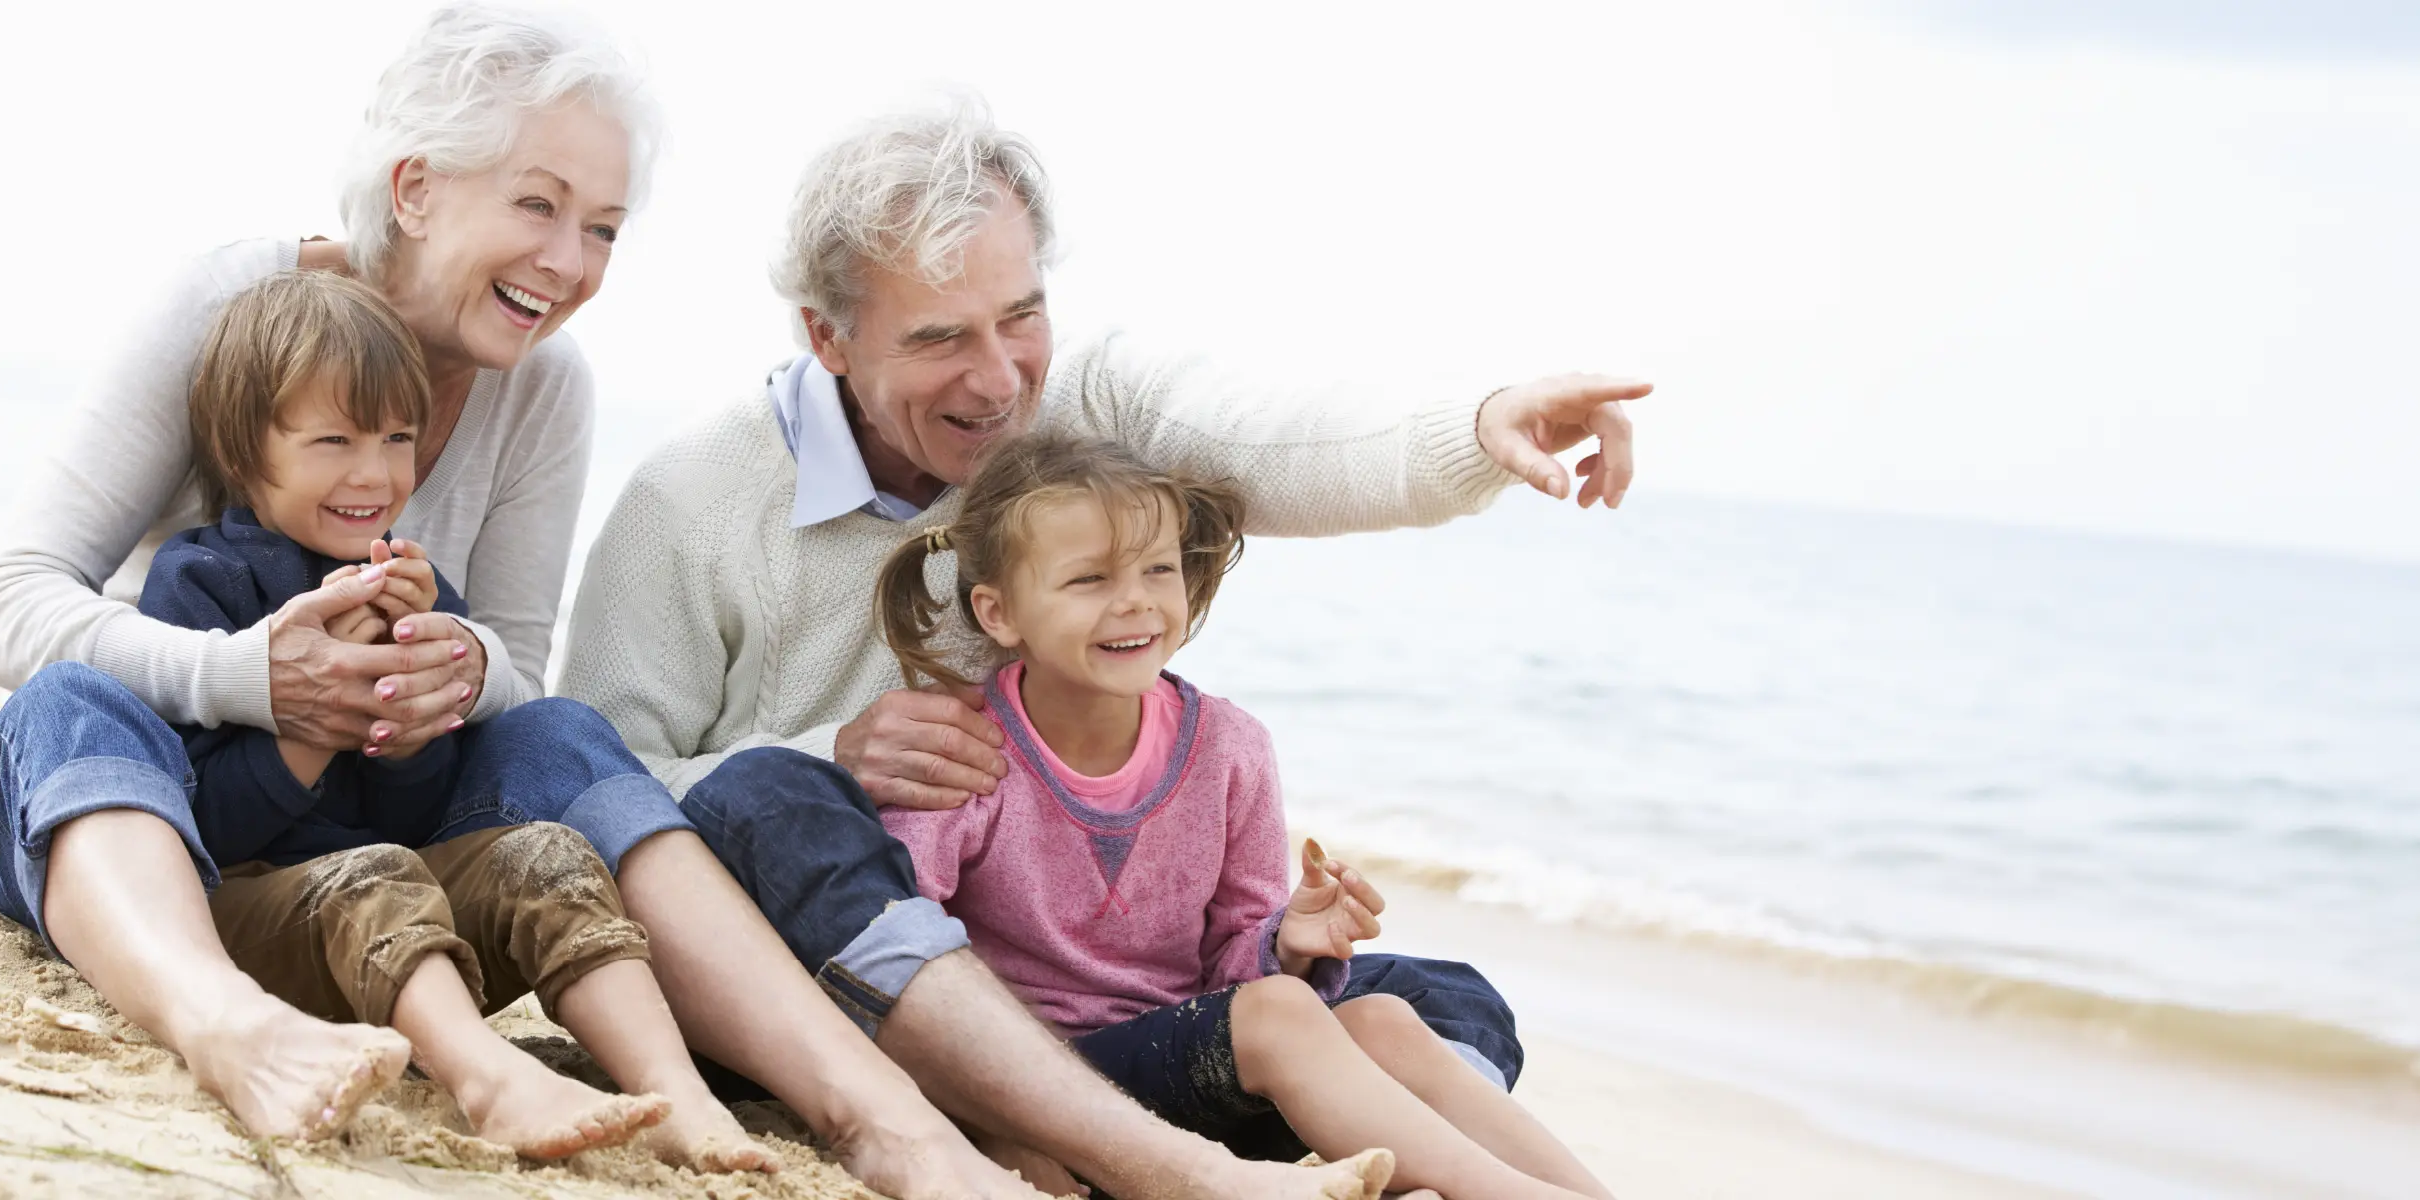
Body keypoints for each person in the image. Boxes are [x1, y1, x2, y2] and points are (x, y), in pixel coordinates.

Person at [0, 9, 1058, 1194]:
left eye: (602, 228)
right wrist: (246, 678)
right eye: (538, 205)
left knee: (560, 732)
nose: (571, 262)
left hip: (358, 865)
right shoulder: (237, 304)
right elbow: (3, 605)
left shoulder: (543, 388)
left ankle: (874, 1116)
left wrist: (465, 668)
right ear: (417, 187)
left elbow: (522, 668)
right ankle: (228, 1027)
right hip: (133, 852)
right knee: (71, 698)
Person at [559, 90, 1646, 1196]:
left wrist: (1478, 427)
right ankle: (1069, 1129)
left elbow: (1263, 433)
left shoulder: (1077, 405)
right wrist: (824, 754)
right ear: (828, 337)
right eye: (939, 338)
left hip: (1113, 1010)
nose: (998, 380)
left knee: (1433, 1001)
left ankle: (1383, 1164)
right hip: (838, 968)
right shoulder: (691, 500)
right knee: (774, 794)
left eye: (1019, 316)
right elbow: (591, 793)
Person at [0, 267, 784, 1167]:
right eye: (333, 440)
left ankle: (676, 1093)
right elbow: (204, 822)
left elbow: (416, 807)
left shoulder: (413, 586)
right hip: (253, 908)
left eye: (399, 437)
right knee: (372, 873)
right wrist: (312, 731)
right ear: (245, 457)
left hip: (390, 935)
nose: (375, 472)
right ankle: (488, 1079)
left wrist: (413, 720)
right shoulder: (203, 581)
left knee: (545, 856)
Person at [866, 429, 1613, 1199]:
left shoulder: (1228, 747)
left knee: (1384, 1018)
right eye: (1088, 579)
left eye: (1159, 569)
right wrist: (992, 1123)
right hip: (1038, 1084)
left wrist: (1287, 944)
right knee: (1279, 1015)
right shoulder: (959, 753)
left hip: (1190, 1078)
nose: (1135, 600)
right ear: (999, 612)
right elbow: (904, 960)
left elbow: (1232, 967)